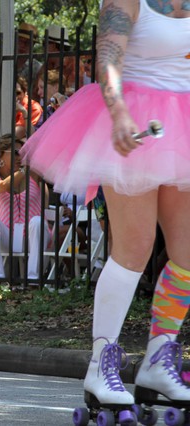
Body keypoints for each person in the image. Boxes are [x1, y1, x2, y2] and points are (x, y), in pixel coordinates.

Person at [21, 0, 190, 409]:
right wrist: (118, 113)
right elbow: (108, 61)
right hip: (133, 120)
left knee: (188, 254)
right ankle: (102, 362)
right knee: (134, 246)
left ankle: (157, 359)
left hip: (182, 124)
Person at [0, 134, 50, 280]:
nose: (20, 157)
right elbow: (4, 186)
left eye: (23, 153)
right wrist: (24, 169)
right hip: (8, 238)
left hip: (33, 237)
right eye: (15, 153)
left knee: (37, 221)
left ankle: (33, 279)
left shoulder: (35, 176)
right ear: (0, 156)